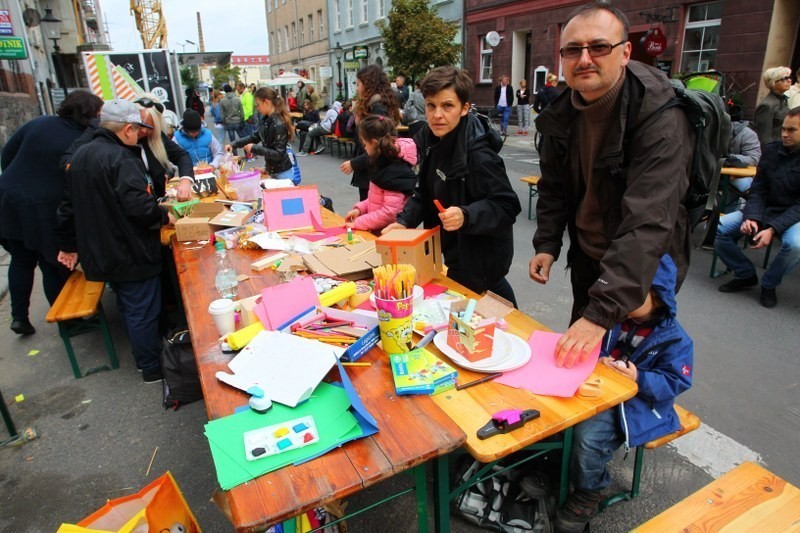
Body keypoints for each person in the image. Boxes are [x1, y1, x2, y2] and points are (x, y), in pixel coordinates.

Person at [529, 2, 693, 369]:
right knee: (577, 368)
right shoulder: (563, 112)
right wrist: (547, 244)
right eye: (573, 50)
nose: (584, 58)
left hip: (644, 268)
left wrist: (598, 314)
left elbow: (648, 221)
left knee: (629, 375)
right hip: (589, 256)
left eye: (599, 46)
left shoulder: (659, 114)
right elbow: (554, 186)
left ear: (625, 53)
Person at [555, 254, 693, 532]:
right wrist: (602, 358)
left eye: (631, 296)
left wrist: (638, 377)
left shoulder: (677, 339)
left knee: (587, 439)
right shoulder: (613, 317)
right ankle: (551, 469)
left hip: (637, 404)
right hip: (601, 389)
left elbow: (675, 382)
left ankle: (589, 491)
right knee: (556, 414)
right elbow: (596, 347)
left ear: (658, 295)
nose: (622, 302)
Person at [55, 99, 175, 383]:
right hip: (128, 250)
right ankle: (150, 367)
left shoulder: (81, 155)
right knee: (142, 309)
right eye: (136, 130)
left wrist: (68, 244)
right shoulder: (121, 158)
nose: (137, 136)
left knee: (129, 305)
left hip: (100, 250)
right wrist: (163, 216)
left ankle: (144, 357)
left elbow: (66, 208)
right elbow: (139, 208)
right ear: (127, 129)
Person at [383, 66, 521, 304]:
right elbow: (424, 191)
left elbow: (507, 205)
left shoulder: (479, 154)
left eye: (447, 106)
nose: (437, 115)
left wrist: (467, 215)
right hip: (454, 251)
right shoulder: (430, 138)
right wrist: (403, 222)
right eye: (431, 105)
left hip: (482, 256)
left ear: (464, 108)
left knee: (495, 310)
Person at [0, 90, 103, 335]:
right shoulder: (81, 139)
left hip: (8, 197)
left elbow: (7, 154)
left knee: (21, 259)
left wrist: (18, 180)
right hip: (43, 208)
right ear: (88, 114)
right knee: (51, 263)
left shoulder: (39, 122)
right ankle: (68, 322)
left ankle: (19, 317)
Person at [715, 108, 800, 308]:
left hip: (793, 217)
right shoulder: (771, 150)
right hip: (764, 209)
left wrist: (772, 229)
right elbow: (758, 189)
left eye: (792, 130)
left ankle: (769, 284)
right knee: (718, 228)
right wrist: (752, 217)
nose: (784, 134)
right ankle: (745, 274)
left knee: (796, 245)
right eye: (783, 129)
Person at [344, 116, 418, 233]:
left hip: (390, 235)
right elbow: (377, 199)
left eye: (365, 144)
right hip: (379, 230)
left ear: (373, 143)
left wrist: (359, 222)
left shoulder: (393, 172)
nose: (364, 147)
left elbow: (390, 213)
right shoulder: (382, 164)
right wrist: (360, 209)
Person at [340, 64, 402, 201]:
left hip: (374, 172)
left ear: (368, 85)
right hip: (370, 169)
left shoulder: (377, 108)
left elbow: (380, 146)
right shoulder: (372, 105)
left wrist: (354, 163)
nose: (357, 88)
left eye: (358, 84)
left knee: (372, 215)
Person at [226, 87, 295, 181]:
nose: (257, 108)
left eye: (258, 105)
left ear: (266, 102)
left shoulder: (278, 124)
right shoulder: (267, 120)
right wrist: (233, 144)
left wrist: (254, 148)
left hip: (282, 173)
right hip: (273, 171)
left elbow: (278, 154)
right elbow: (254, 137)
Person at [134, 95, 194, 201]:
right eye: (140, 124)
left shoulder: (156, 138)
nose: (143, 131)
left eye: (149, 127)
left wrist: (185, 180)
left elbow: (181, 156)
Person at [754, 67, 791, 147]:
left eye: (789, 78)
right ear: (774, 82)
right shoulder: (767, 105)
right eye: (784, 78)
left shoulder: (783, 100)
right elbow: (764, 136)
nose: (789, 80)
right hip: (774, 150)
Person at [220, 84, 246, 153]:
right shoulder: (237, 99)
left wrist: (224, 121)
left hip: (229, 122)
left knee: (232, 141)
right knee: (243, 139)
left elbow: (222, 114)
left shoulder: (222, 101)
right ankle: (247, 153)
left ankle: (235, 155)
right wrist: (242, 119)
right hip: (237, 121)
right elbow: (241, 111)